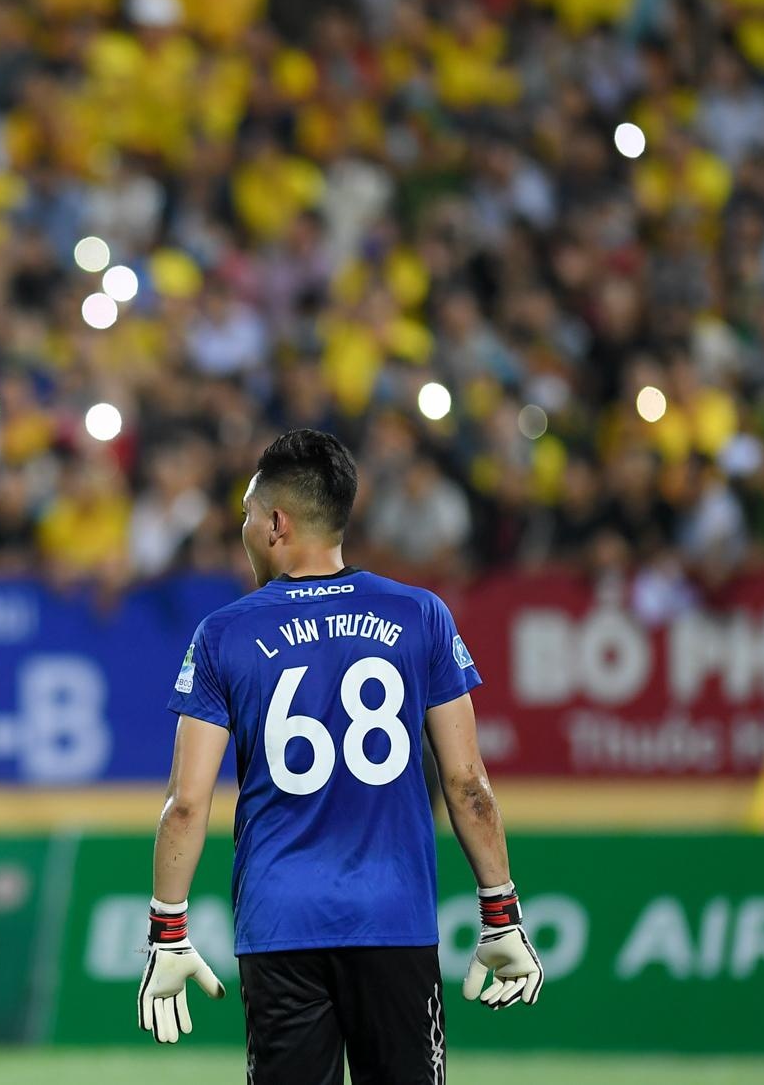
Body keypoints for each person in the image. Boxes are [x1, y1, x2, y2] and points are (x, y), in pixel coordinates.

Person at [137, 428, 543, 1080]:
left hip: (280, 926)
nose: (242, 529)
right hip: (395, 920)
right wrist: (500, 912)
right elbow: (467, 784)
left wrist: (167, 929)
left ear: (277, 522)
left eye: (246, 513)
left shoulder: (224, 634)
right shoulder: (422, 614)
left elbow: (186, 803)